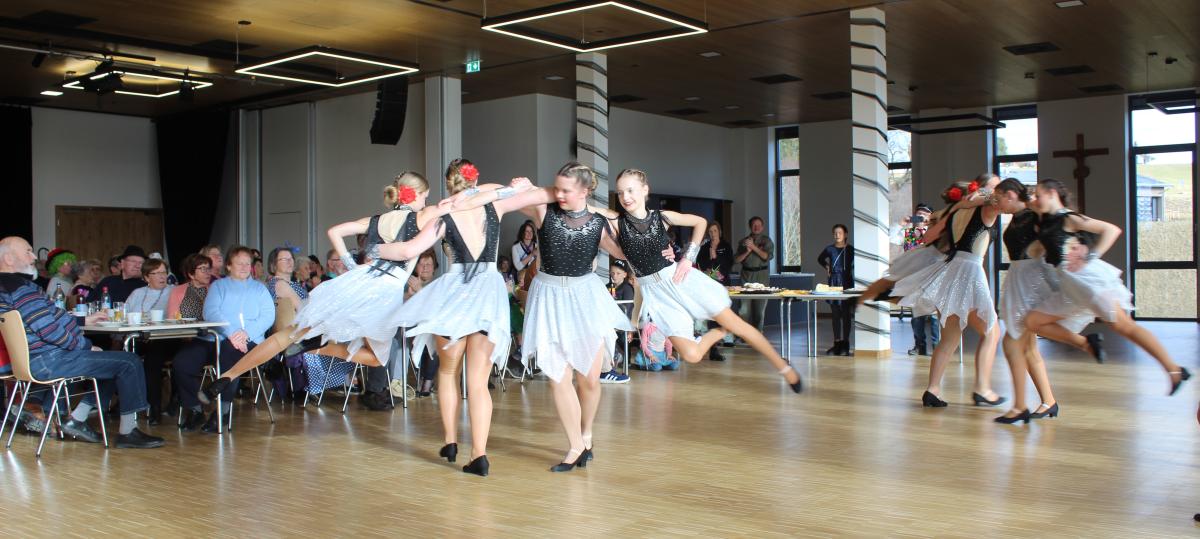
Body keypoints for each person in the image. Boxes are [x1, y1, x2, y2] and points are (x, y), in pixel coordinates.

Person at [197, 172, 460, 405]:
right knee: (377, 359)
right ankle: (317, 346)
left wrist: (350, 263)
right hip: (383, 291)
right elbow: (432, 228)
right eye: (425, 196)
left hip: (356, 281)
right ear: (416, 194)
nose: (426, 202)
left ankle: (226, 377)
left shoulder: (377, 220)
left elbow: (335, 231)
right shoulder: (422, 215)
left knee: (287, 335)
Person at [448, 162, 634, 472]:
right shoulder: (544, 210)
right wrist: (509, 190)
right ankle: (574, 445)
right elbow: (499, 200)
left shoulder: (599, 223)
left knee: (588, 380)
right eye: (556, 187)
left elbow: (626, 253)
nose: (558, 194)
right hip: (549, 296)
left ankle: (585, 434)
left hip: (585, 298)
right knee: (557, 376)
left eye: (566, 190)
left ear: (586, 191)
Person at [604, 169, 802, 389]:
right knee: (692, 355)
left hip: (679, 279)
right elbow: (588, 207)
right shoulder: (616, 221)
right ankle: (720, 331)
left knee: (739, 325)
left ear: (645, 190)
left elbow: (700, 222)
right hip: (658, 295)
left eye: (630, 190)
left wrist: (688, 257)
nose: (625, 197)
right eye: (621, 192)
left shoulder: (661, 217)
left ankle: (783, 366)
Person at [376, 159, 513, 476]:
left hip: (454, 296)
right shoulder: (494, 208)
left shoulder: (442, 215)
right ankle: (479, 455)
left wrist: (373, 251)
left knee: (448, 372)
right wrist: (515, 186)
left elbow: (409, 250)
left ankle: (451, 441)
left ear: (449, 184)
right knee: (478, 382)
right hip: (487, 298)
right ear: (474, 179)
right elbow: (520, 192)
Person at [1025, 178, 1191, 396]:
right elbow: (1031, 223)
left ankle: (1174, 369)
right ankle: (1087, 343)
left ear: (1052, 193)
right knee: (1033, 321)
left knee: (1125, 326)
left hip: (1087, 280)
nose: (1035, 199)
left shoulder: (1070, 218)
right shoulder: (1046, 221)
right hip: (1070, 286)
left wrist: (1091, 255)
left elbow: (1111, 230)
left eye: (1039, 194)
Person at [0, 236, 164, 448]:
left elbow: (51, 317)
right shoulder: (22, 290)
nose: (34, 257)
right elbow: (50, 331)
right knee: (129, 361)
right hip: (49, 360)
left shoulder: (8, 288)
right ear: (9, 259)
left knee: (112, 361)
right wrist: (86, 346)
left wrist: (83, 320)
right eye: (28, 252)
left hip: (31, 360)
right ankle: (127, 432)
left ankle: (77, 419)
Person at [892, 178, 1029, 407]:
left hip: (950, 270)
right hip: (969, 270)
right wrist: (988, 193)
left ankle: (932, 389)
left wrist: (958, 205)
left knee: (949, 338)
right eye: (994, 185)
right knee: (991, 331)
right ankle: (982, 388)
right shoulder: (986, 207)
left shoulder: (954, 213)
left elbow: (927, 237)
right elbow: (998, 200)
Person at [993, 203, 1092, 424]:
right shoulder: (1020, 217)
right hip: (1022, 282)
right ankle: (1048, 401)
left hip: (1032, 283)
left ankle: (1021, 406)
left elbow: (1054, 239)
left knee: (1015, 344)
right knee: (1028, 349)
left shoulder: (1035, 216)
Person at [173, 246, 273, 432]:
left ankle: (222, 413)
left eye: (247, 263)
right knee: (182, 363)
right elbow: (211, 312)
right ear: (228, 266)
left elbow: (268, 316)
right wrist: (232, 333)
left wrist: (244, 334)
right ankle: (195, 409)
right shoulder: (218, 286)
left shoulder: (260, 289)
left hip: (248, 342)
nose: (244, 267)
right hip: (215, 337)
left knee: (229, 356)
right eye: (239, 263)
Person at [125, 258, 174, 424]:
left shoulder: (173, 292)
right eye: (156, 273)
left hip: (165, 339)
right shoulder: (137, 293)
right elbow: (126, 315)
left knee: (152, 361)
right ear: (146, 277)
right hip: (138, 338)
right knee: (123, 359)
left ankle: (154, 407)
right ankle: (125, 404)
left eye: (163, 272)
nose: (162, 276)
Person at [895, 203, 941, 356]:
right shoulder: (908, 233)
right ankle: (919, 345)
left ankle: (936, 346)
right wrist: (901, 224)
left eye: (924, 214)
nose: (920, 217)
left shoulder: (936, 232)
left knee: (934, 314)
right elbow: (891, 238)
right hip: (914, 278)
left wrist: (932, 223)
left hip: (933, 277)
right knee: (916, 315)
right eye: (918, 214)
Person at [696, 222, 735, 359]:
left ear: (719, 231)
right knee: (712, 316)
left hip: (723, 285)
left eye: (715, 231)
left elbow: (728, 264)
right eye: (710, 231)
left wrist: (715, 257)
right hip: (709, 285)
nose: (713, 234)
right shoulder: (705, 247)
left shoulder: (726, 246)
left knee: (724, 315)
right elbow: (701, 264)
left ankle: (722, 339)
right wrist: (710, 258)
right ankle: (713, 349)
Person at [817, 224, 855, 356]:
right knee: (835, 314)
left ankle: (846, 343)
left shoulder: (850, 249)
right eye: (835, 232)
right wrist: (827, 267)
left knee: (845, 314)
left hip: (846, 282)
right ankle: (837, 343)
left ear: (845, 234)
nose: (837, 235)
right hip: (833, 281)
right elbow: (820, 259)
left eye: (840, 232)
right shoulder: (830, 248)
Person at [406, 250, 440, 396]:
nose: (425, 267)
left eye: (429, 264)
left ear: (434, 267)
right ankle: (423, 380)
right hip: (409, 327)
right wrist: (408, 295)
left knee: (433, 335)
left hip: (431, 328)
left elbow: (436, 309)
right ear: (415, 266)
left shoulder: (439, 284)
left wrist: (420, 290)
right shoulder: (407, 283)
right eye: (421, 264)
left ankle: (427, 381)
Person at [734, 216, 774, 333]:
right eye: (754, 225)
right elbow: (736, 260)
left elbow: (766, 257)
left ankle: (758, 335)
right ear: (750, 227)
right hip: (746, 275)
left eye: (759, 225)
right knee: (744, 309)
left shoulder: (767, 241)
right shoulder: (743, 241)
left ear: (762, 227)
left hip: (762, 275)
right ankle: (744, 335)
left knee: (759, 310)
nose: (756, 227)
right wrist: (747, 250)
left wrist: (753, 247)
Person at [602, 259, 635, 382]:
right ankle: (610, 357)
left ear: (625, 275)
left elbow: (627, 308)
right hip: (609, 321)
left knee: (609, 331)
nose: (614, 276)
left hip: (622, 321)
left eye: (618, 273)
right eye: (612, 273)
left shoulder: (627, 288)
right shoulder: (606, 287)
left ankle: (615, 356)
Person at [167, 254, 213, 320]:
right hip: (184, 329)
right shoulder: (177, 291)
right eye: (203, 269)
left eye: (208, 268)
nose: (208, 272)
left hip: (210, 329)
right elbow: (172, 317)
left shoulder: (214, 290)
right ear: (191, 274)